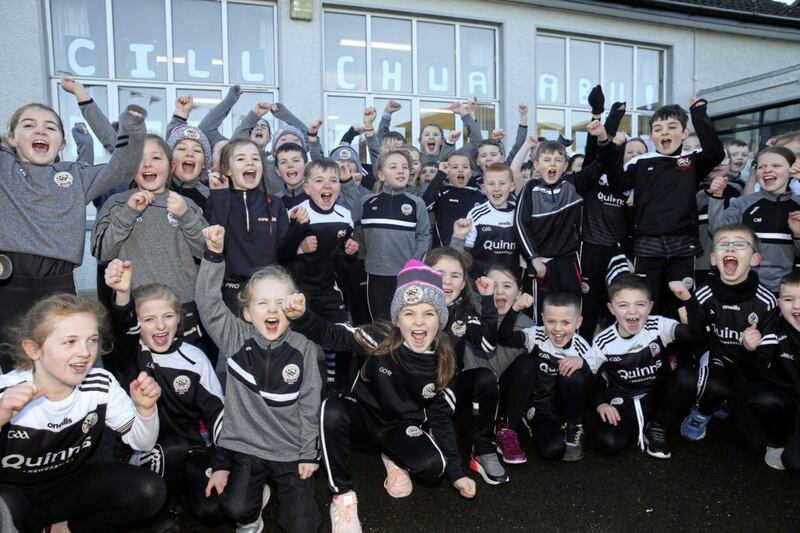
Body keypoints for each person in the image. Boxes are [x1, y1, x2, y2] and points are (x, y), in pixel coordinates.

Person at [285, 259, 476, 533]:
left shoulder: (444, 362)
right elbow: (333, 335)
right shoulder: (380, 338)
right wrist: (303, 317)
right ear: (397, 318)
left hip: (399, 428)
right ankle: (343, 498)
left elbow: (441, 418)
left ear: (441, 319)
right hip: (361, 418)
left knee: (435, 468)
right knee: (332, 408)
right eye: (409, 313)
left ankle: (394, 456)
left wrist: (457, 475)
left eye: (429, 313)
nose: (419, 321)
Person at [0, 294, 165, 532]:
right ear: (33, 349)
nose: (85, 352)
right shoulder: (6, 391)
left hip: (67, 488)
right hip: (13, 496)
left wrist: (146, 409)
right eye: (70, 342)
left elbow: (144, 442)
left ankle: (62, 528)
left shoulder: (100, 384)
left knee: (149, 490)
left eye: (92, 340)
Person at [197, 225, 322, 533]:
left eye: (281, 303)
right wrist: (214, 255)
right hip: (248, 447)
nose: (272, 310)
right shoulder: (235, 338)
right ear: (247, 313)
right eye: (263, 303)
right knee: (236, 508)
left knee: (300, 526)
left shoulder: (304, 348)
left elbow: (309, 404)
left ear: (293, 309)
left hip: (291, 448)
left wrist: (308, 453)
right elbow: (207, 304)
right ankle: (254, 506)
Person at [0, 101, 146, 351]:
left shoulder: (75, 175)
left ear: (62, 143)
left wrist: (132, 126)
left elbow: (122, 168)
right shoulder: (5, 169)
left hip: (59, 284)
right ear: (11, 140)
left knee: (62, 357)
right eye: (29, 125)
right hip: (9, 283)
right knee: (14, 365)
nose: (40, 131)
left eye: (50, 127)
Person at [104, 259, 226, 527]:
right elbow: (122, 327)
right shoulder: (132, 354)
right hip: (142, 450)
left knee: (214, 509)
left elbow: (217, 411)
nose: (160, 326)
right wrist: (123, 293)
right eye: (149, 319)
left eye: (167, 316)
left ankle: (183, 488)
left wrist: (223, 463)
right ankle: (162, 513)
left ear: (179, 319)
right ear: (138, 324)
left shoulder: (195, 358)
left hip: (192, 448)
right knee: (171, 448)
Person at [597, 99, 725, 318]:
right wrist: (618, 146)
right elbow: (618, 184)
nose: (664, 133)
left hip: (682, 246)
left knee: (682, 304)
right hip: (648, 247)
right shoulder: (641, 162)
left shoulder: (691, 161)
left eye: (672, 128)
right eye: (658, 129)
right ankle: (650, 350)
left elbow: (716, 154)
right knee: (647, 301)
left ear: (684, 133)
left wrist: (699, 113)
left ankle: (681, 350)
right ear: (652, 136)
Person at [91, 134, 213, 359]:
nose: (147, 164)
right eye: (140, 159)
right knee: (141, 381)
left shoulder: (187, 205)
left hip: (184, 307)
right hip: (138, 309)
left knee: (190, 376)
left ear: (171, 165)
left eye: (156, 157)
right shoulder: (117, 204)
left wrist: (185, 216)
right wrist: (128, 213)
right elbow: (102, 251)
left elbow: (208, 251)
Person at [584, 273, 703, 459]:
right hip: (625, 402)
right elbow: (586, 375)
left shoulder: (658, 325)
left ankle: (657, 426)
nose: (632, 312)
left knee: (688, 376)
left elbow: (695, 334)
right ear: (611, 308)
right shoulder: (603, 341)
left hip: (656, 397)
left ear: (650, 307)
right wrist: (601, 404)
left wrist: (688, 300)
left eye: (640, 304)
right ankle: (639, 425)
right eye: (623, 305)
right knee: (608, 443)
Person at [680, 224, 777, 448]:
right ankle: (701, 411)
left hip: (748, 365)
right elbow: (696, 341)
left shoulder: (767, 301)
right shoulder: (703, 294)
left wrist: (751, 349)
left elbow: (768, 353)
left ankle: (729, 401)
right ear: (713, 258)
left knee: (755, 444)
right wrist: (692, 317)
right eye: (724, 244)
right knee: (714, 385)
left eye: (740, 244)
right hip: (716, 359)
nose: (731, 248)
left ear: (755, 259)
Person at [424, 248, 507, 485]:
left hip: (450, 387)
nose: (447, 281)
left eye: (455, 276)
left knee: (485, 378)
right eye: (439, 273)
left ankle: (483, 450)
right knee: (430, 466)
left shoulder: (463, 311)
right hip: (417, 390)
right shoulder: (412, 307)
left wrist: (488, 300)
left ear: (463, 284)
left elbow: (488, 344)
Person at [515, 119, 608, 317]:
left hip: (569, 263)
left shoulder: (574, 183)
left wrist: (601, 136)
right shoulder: (530, 188)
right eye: (547, 160)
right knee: (541, 316)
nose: (553, 164)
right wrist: (534, 259)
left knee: (570, 314)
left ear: (566, 165)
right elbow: (520, 225)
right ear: (537, 165)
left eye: (558, 160)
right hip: (541, 264)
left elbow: (602, 163)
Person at [205, 139, 308, 312]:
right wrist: (220, 195)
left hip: (270, 290)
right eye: (240, 159)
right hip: (233, 292)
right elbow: (215, 241)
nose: (249, 162)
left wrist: (297, 227)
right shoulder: (217, 199)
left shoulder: (274, 204)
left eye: (255, 158)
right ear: (227, 169)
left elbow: (285, 254)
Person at [285, 158, 360, 386]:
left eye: (333, 180)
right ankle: (295, 385)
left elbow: (344, 262)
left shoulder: (345, 216)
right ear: (307, 187)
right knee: (295, 341)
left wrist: (350, 252)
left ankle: (339, 387)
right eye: (319, 180)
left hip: (328, 288)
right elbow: (280, 255)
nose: (327, 186)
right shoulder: (296, 213)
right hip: (298, 289)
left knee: (343, 337)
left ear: (339, 186)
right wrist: (299, 247)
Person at [497, 292, 592, 462]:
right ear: (542, 318)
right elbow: (504, 338)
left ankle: (573, 426)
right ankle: (517, 422)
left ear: (578, 322)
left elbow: (593, 387)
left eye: (566, 322)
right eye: (551, 321)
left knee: (575, 371)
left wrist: (583, 365)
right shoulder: (536, 336)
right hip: (540, 407)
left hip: (564, 405)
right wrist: (515, 308)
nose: (557, 328)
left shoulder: (583, 347)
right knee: (552, 450)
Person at [708, 146, 800, 293]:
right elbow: (718, 233)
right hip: (746, 286)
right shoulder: (743, 203)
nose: (767, 170)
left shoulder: (797, 204)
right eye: (761, 166)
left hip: (787, 290)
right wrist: (716, 197)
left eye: (776, 165)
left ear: (791, 169)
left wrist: (798, 234)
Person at [352, 150, 431, 321]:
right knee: (381, 324)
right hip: (374, 275)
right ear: (381, 174)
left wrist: (414, 263)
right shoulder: (366, 202)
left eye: (404, 167)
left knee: (405, 321)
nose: (400, 171)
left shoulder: (417, 203)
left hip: (406, 276)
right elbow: (359, 236)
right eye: (393, 167)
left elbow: (424, 236)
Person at [749, 270, 800, 472]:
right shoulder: (775, 328)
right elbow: (759, 366)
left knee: (795, 464)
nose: (797, 306)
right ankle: (777, 441)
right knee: (764, 400)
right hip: (786, 397)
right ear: (779, 303)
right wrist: (750, 347)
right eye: (789, 299)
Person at [450, 163, 519, 276]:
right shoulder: (476, 214)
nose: (496, 188)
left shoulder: (519, 212)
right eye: (491, 184)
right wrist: (458, 237)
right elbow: (463, 254)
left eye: (502, 183)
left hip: (511, 281)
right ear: (483, 188)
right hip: (481, 281)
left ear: (512, 186)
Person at [423, 150, 485, 248]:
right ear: (447, 173)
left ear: (470, 172)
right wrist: (440, 174)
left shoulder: (479, 194)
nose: (460, 170)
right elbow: (424, 205)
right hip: (444, 252)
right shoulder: (442, 192)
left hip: (472, 252)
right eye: (455, 167)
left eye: (465, 167)